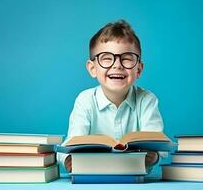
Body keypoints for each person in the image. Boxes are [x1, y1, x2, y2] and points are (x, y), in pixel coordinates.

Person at [57, 20, 164, 173]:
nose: (117, 65)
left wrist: (153, 156)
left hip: (135, 177)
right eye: (107, 58)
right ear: (93, 68)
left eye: (127, 58)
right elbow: (72, 142)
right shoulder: (85, 100)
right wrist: (69, 159)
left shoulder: (147, 100)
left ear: (138, 70)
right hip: (92, 177)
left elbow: (156, 144)